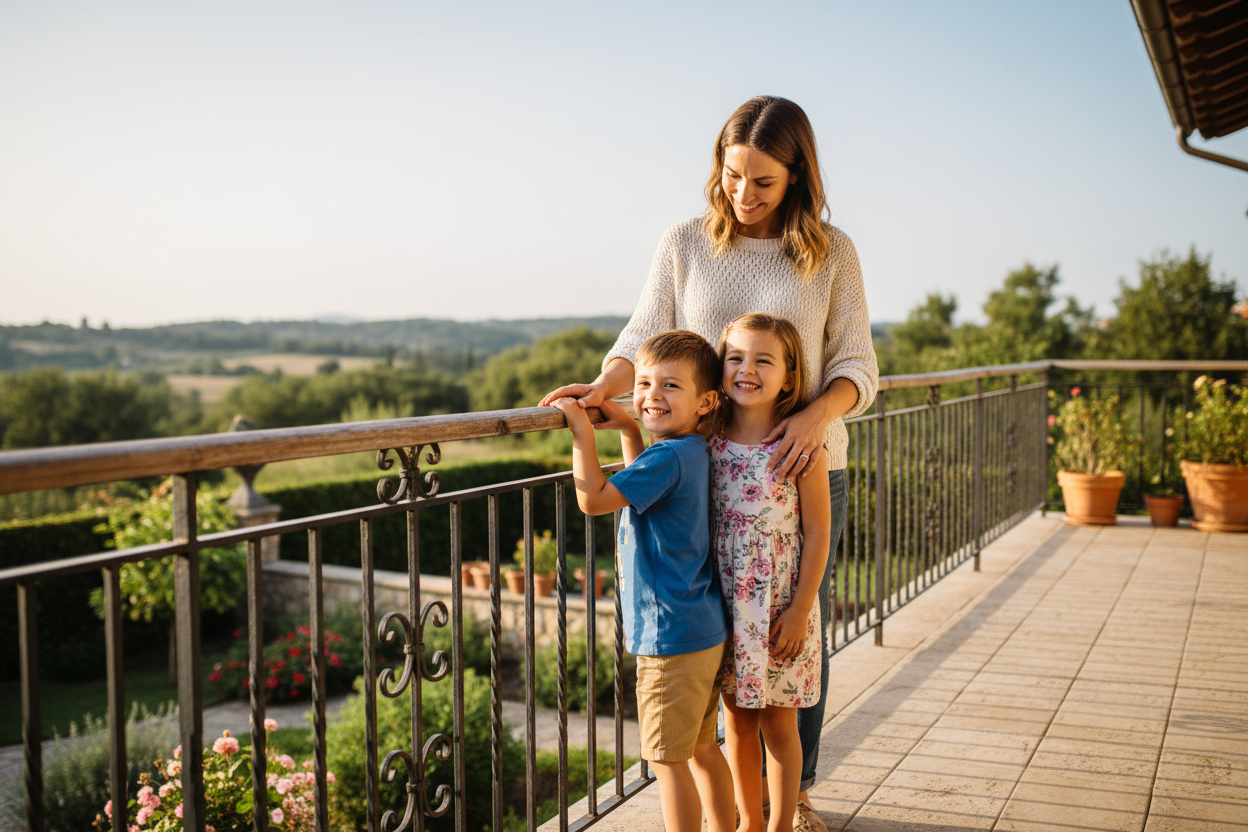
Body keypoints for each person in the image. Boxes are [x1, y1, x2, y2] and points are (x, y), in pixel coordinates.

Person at [541, 95, 878, 832]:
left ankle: (795, 798)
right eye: (733, 176)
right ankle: (742, 809)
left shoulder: (830, 251)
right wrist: (607, 388)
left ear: (797, 174)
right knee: (728, 647)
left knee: (790, 636)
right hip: (710, 465)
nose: (744, 194)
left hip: (801, 465)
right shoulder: (685, 242)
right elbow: (643, 331)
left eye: (763, 181)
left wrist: (816, 414)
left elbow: (857, 361)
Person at [549, 330, 736, 832]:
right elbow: (647, 490)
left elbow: (594, 499)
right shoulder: (690, 451)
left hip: (668, 638)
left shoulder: (668, 457)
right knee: (700, 748)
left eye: (671, 386)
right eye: (646, 382)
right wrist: (630, 432)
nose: (653, 393)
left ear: (706, 401)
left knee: (666, 761)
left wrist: (580, 433)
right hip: (701, 631)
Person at [709, 313, 830, 832]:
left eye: (763, 360)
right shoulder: (705, 438)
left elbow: (819, 533)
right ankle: (749, 824)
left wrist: (801, 610)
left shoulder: (801, 446)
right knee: (736, 721)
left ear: (789, 373)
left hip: (782, 606)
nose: (747, 369)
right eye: (735, 357)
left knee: (781, 722)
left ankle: (781, 824)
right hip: (725, 606)